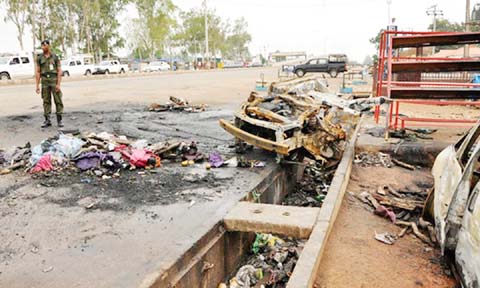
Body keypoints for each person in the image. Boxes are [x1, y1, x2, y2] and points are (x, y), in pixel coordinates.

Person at [35, 40, 64, 128]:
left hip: (54, 80)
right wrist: (37, 85)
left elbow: (59, 71)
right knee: (46, 101)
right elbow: (38, 72)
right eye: (42, 46)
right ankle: (47, 120)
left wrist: (58, 84)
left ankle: (59, 120)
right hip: (44, 82)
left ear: (49, 46)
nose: (43, 47)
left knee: (58, 100)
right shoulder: (39, 58)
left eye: (45, 45)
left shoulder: (55, 57)